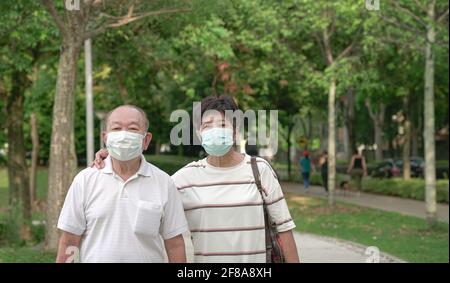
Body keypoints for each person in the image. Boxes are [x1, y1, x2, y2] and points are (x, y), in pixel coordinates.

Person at [93, 96, 300, 263]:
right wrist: (113, 155)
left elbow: (283, 231)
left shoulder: (259, 170)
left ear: (235, 130)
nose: (215, 130)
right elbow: (144, 186)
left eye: (222, 124)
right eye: (207, 125)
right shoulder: (183, 179)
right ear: (199, 133)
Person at [56, 105, 188, 263]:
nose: (123, 134)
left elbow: (174, 244)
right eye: (116, 128)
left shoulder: (163, 182)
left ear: (146, 140)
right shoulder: (85, 180)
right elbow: (70, 241)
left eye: (132, 128)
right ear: (105, 138)